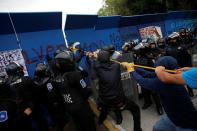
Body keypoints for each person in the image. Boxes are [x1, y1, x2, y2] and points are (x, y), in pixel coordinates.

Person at [124, 56, 197, 130]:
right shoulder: (172, 75)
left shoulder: (164, 82)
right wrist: (134, 67)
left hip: (186, 124)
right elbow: (149, 74)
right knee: (157, 128)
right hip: (173, 117)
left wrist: (131, 71)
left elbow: (143, 81)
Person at [91, 50, 142, 131]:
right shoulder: (116, 66)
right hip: (119, 99)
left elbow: (97, 62)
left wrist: (95, 56)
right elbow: (115, 60)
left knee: (104, 110)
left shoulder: (97, 67)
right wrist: (126, 64)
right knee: (135, 109)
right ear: (109, 58)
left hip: (105, 100)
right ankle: (137, 129)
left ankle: (100, 121)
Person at [54, 51, 96, 131]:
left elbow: (58, 96)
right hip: (82, 109)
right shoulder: (75, 75)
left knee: (79, 127)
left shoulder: (57, 79)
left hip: (70, 109)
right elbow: (86, 92)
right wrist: (91, 89)